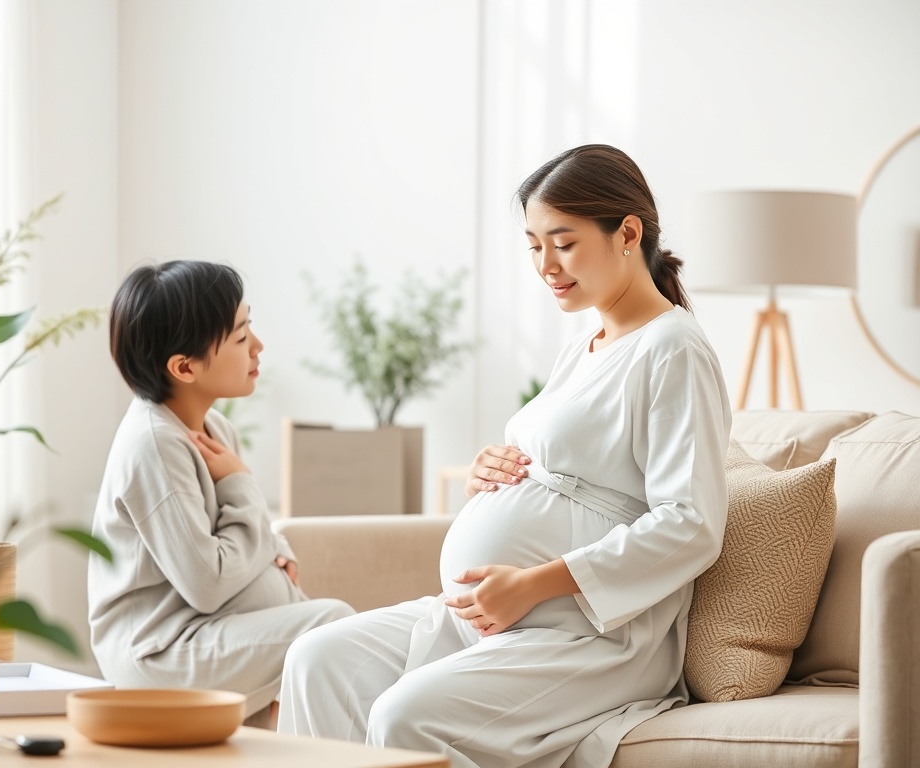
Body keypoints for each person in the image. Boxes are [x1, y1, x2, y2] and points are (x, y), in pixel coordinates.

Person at [277, 144, 732, 767]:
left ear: (628, 234)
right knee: (316, 659)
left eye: (563, 243)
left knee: (403, 715)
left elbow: (691, 523)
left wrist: (532, 584)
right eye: (534, 246)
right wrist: (490, 472)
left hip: (592, 633)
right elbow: (563, 467)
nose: (546, 266)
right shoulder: (585, 346)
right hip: (494, 614)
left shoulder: (673, 348)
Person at [88, 260, 354, 722]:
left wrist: (271, 545)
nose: (258, 346)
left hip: (205, 630)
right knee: (332, 627)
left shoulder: (214, 429)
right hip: (160, 654)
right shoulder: (154, 446)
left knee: (332, 646)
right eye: (240, 337)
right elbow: (208, 583)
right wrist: (241, 485)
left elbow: (236, 541)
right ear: (184, 366)